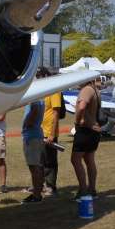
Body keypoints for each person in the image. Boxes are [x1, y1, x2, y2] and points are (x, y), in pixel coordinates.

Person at [71, 77, 102, 200]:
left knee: (75, 160)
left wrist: (77, 121)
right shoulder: (95, 90)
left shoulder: (86, 90)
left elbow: (82, 106)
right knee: (89, 160)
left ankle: (83, 190)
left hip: (85, 130)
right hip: (94, 130)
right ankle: (92, 190)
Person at [38, 68, 63, 196]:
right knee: (40, 160)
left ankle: (51, 186)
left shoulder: (54, 89)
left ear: (45, 75)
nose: (38, 79)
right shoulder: (43, 90)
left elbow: (56, 112)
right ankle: (40, 185)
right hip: (39, 131)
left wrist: (52, 134)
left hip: (49, 131)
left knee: (50, 161)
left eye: (39, 76)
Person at [21, 98, 45, 203]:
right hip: (35, 135)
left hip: (32, 136)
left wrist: (27, 123)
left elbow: (34, 111)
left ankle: (36, 195)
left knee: (34, 167)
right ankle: (37, 193)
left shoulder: (35, 99)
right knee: (36, 167)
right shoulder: (40, 98)